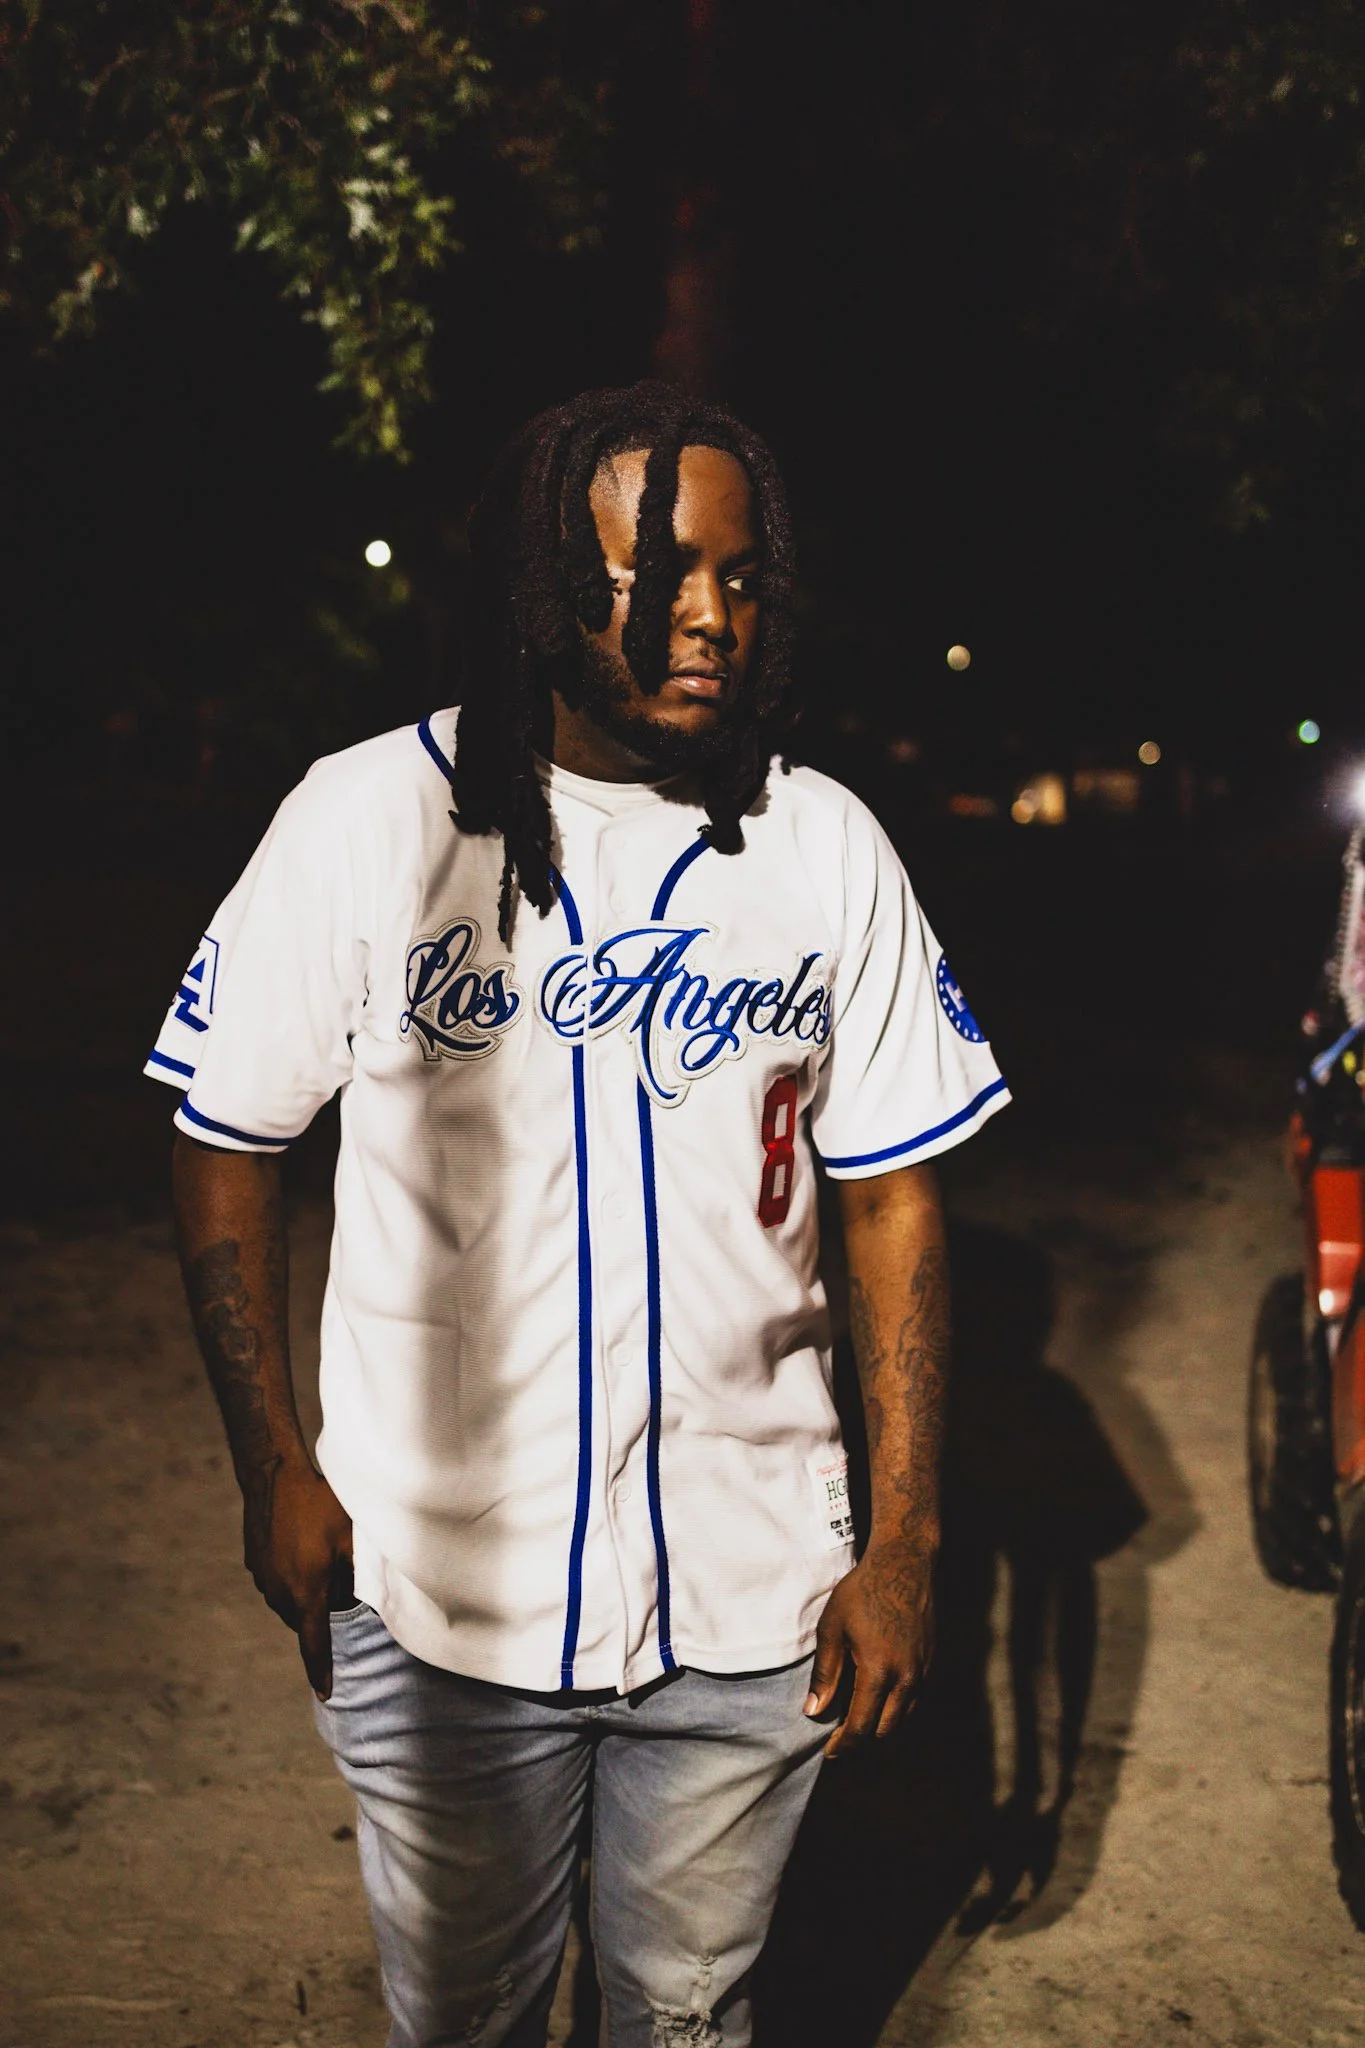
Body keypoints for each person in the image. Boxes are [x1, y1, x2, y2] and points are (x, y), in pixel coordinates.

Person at [147, 380, 1009, 2048]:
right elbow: (224, 1140)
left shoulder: (824, 847)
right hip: (442, 1601)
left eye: (742, 577)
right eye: (658, 572)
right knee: (464, 2019)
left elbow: (895, 1201)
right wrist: (275, 1467)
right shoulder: (367, 820)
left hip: (752, 1605)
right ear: (547, 583)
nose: (711, 617)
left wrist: (900, 1546)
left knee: (687, 2021)